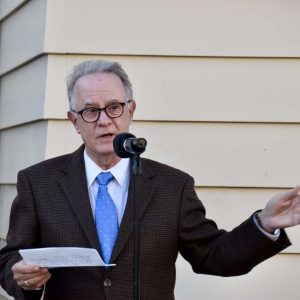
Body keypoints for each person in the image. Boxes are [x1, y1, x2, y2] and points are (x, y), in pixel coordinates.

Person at [0, 60, 300, 300]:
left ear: (131, 110)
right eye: (90, 111)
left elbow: (214, 256)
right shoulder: (38, 183)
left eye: (114, 107)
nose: (105, 120)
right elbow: (10, 258)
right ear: (74, 121)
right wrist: (21, 276)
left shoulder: (172, 186)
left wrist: (265, 224)